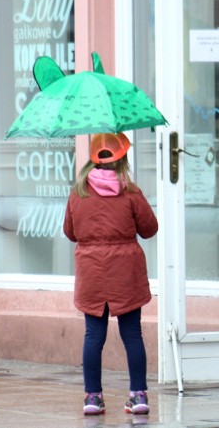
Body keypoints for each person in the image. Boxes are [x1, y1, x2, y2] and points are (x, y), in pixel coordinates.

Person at [62, 132, 159, 416]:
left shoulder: (77, 192)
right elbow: (150, 228)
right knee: (132, 334)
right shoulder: (130, 191)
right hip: (125, 271)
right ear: (123, 160)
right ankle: (138, 395)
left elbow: (70, 232)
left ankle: (93, 398)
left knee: (93, 335)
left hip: (91, 271)